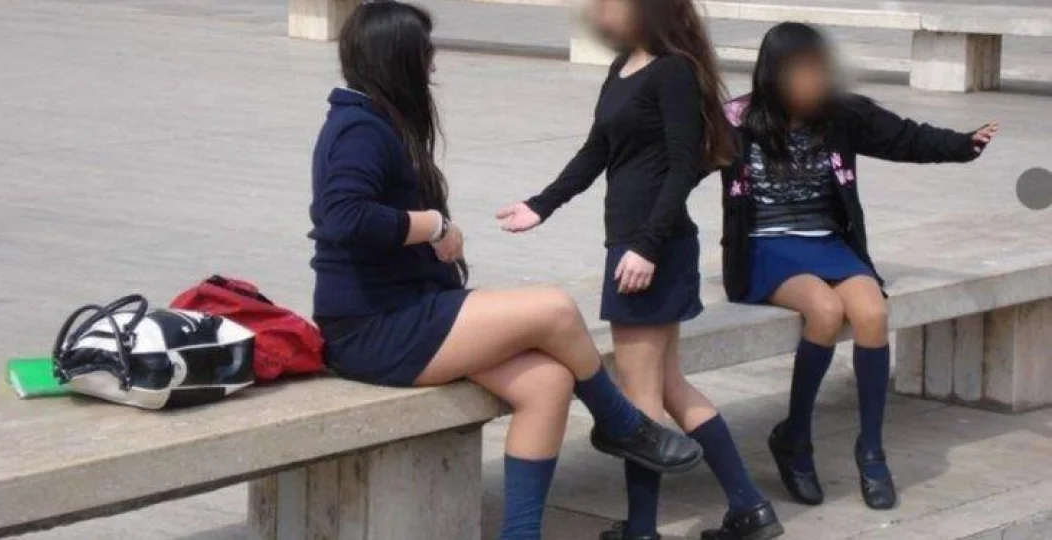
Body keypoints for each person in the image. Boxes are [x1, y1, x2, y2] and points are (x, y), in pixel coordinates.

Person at [309, 3, 703, 539]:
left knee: (549, 382)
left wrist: (458, 231)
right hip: (373, 327)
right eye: (424, 52)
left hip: (413, 309)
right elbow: (343, 216)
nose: (432, 63)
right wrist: (433, 226)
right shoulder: (359, 128)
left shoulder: (379, 119)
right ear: (395, 58)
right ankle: (620, 422)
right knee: (554, 309)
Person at [497, 0, 783, 538]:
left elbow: (683, 165)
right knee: (667, 385)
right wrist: (541, 204)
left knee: (641, 398)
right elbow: (597, 150)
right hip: (635, 246)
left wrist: (647, 247)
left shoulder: (673, 73)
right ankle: (749, 507)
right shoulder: (624, 65)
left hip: (650, 250)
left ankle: (644, 530)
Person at [720, 22, 999, 511]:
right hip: (765, 246)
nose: (814, 80)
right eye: (802, 71)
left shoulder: (841, 115)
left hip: (827, 241)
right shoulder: (736, 121)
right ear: (775, 74)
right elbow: (677, 164)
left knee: (872, 313)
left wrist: (963, 143)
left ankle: (871, 451)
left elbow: (904, 138)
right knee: (825, 311)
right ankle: (795, 438)